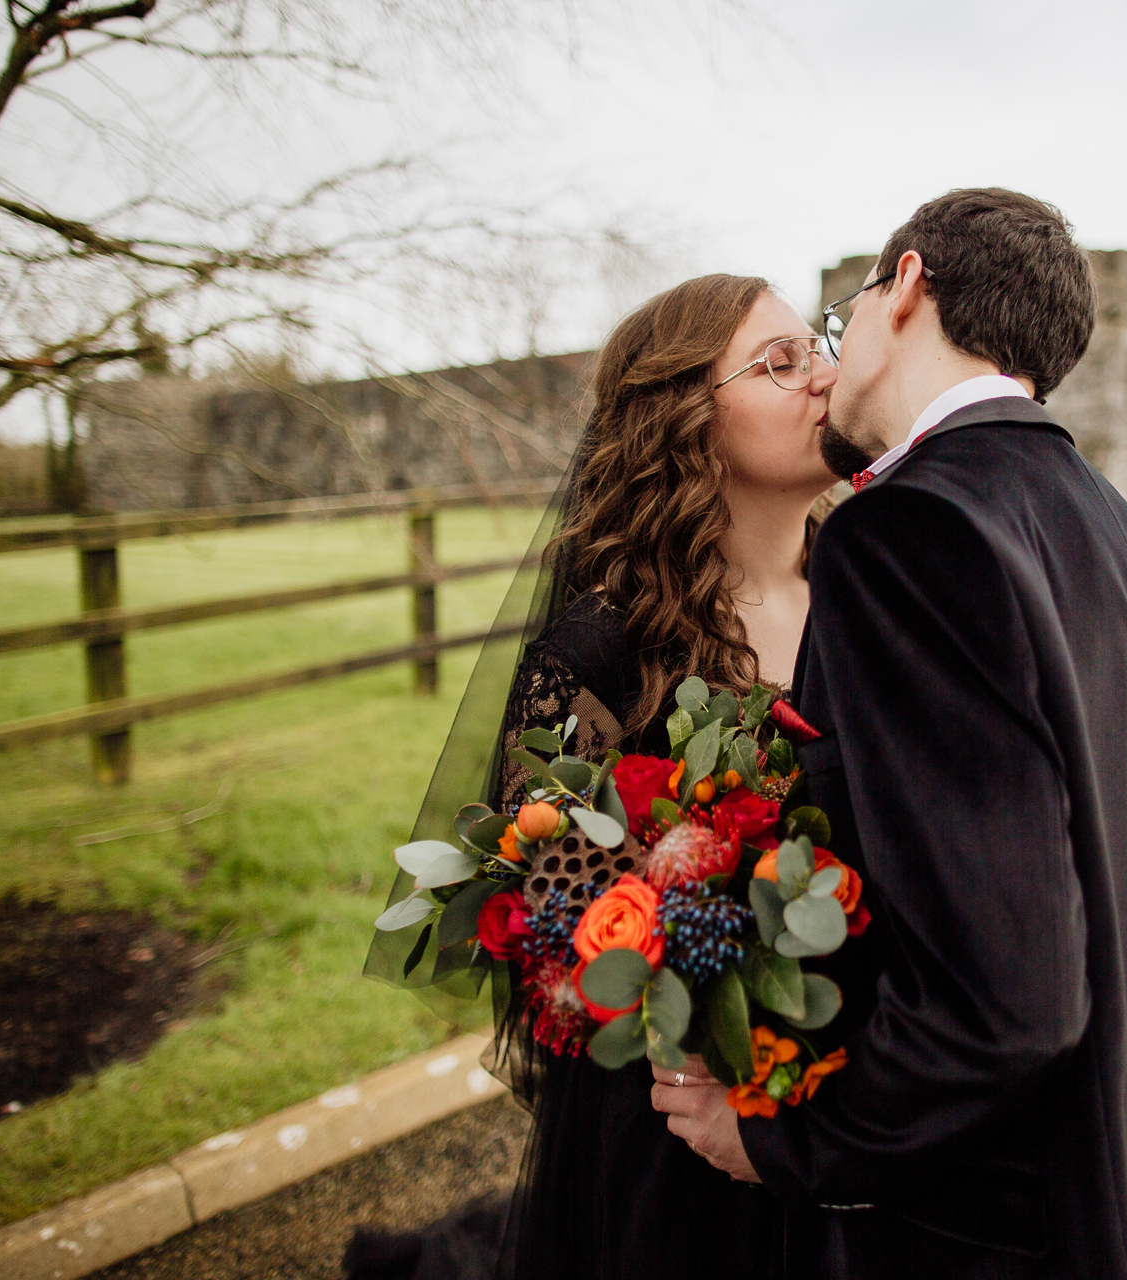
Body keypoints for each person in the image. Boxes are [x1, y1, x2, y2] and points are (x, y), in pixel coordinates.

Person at [649, 189, 1127, 1279]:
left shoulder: (911, 532)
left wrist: (788, 1141)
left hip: (975, 1227)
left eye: (836, 317)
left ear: (903, 286)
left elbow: (1009, 1001)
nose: (827, 357)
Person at [347, 274, 839, 1279]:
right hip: (674, 1122)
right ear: (687, 420)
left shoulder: (871, 590)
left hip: (853, 1097)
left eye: (819, 345)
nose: (823, 376)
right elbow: (548, 907)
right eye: (780, 362)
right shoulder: (603, 648)